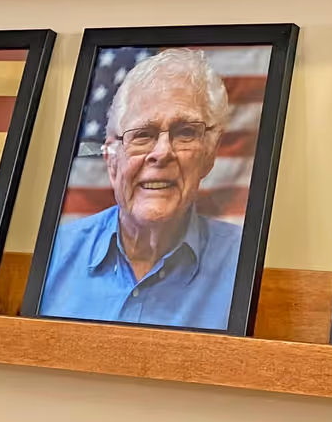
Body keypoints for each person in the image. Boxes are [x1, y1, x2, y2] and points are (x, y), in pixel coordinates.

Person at [39, 48, 241, 328]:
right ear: (111, 158)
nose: (161, 153)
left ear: (209, 154)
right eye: (142, 135)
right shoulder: (52, 254)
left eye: (185, 132)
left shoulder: (244, 265)